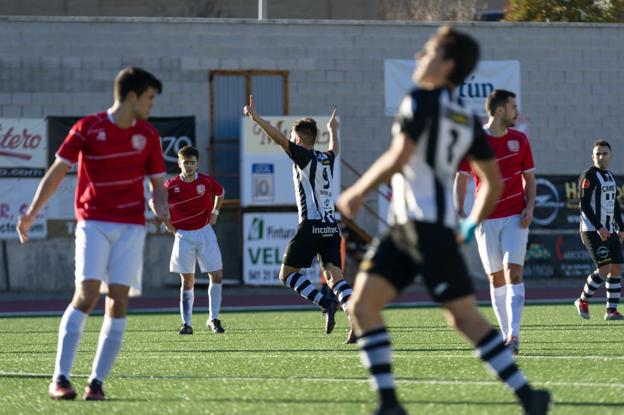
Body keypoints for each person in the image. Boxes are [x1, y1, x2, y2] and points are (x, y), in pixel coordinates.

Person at [337, 26, 550, 415]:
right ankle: (526, 395)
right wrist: (467, 227)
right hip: (424, 230)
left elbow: (399, 156)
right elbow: (495, 182)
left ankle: (389, 401)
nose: (420, 55)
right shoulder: (466, 118)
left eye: (429, 50)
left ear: (447, 64)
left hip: (414, 229)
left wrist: (355, 192)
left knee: (369, 308)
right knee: (451, 316)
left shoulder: (419, 99)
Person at [16, 67, 168, 401]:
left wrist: (164, 211)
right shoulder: (88, 127)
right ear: (131, 97)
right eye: (149, 98)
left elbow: (158, 184)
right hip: (94, 222)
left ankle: (96, 383)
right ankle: (60, 379)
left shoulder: (149, 135)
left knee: (119, 301)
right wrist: (33, 212)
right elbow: (58, 171)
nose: (152, 105)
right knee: (86, 295)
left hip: (131, 227)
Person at [243, 98, 354, 342]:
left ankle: (324, 302)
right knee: (336, 278)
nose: (291, 140)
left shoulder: (303, 157)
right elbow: (335, 148)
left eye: (293, 137)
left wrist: (256, 118)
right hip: (330, 227)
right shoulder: (326, 159)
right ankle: (354, 319)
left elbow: (278, 139)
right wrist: (333, 130)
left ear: (299, 140)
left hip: (311, 226)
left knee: (286, 275)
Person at [454, 89, 536, 355]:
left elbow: (530, 179)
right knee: (495, 278)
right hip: (485, 219)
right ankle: (505, 335)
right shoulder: (474, 142)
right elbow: (461, 178)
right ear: (499, 110)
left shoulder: (520, 140)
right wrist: (460, 211)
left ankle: (514, 335)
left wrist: (530, 207)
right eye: (513, 107)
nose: (517, 112)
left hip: (515, 216)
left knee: (514, 272)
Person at [153, 145, 227, 334]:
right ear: (179, 163)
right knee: (187, 280)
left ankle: (213, 319)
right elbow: (155, 201)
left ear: (197, 163)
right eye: (185, 162)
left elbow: (221, 192)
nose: (189, 166)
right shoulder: (171, 185)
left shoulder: (206, 181)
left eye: (192, 162)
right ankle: (186, 323)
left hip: (205, 232)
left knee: (216, 275)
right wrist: (166, 223)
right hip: (184, 235)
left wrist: (215, 212)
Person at [574, 140, 624, 320]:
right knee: (605, 268)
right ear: (593, 156)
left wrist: (621, 228)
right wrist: (599, 227)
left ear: (611, 156)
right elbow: (584, 205)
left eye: (605, 153)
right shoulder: (589, 176)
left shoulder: (610, 176)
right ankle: (582, 300)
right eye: (598, 154)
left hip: (610, 230)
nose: (601, 156)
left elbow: (615, 204)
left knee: (617, 268)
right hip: (592, 230)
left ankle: (611, 310)